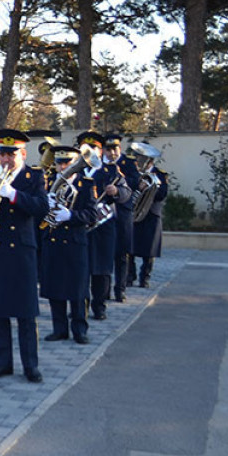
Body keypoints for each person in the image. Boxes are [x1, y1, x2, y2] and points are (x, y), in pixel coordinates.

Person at [0, 129, 49, 383]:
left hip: (21, 251)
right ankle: (2, 362)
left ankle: (30, 365)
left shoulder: (34, 176)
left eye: (10, 155)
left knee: (25, 312)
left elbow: (41, 207)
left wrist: (13, 195)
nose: (4, 160)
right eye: (2, 154)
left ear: (22, 154)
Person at [40, 146, 101, 345]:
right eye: (59, 163)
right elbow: (38, 215)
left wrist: (71, 215)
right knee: (55, 287)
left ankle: (79, 329)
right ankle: (59, 329)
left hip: (75, 243)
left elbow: (92, 214)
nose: (63, 167)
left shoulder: (85, 184)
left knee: (78, 289)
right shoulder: (49, 184)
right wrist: (44, 205)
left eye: (67, 163)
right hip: (53, 241)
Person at [76, 132, 129, 321]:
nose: (91, 153)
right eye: (86, 149)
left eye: (95, 149)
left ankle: (100, 307)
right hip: (80, 226)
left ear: (100, 151)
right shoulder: (74, 171)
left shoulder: (111, 171)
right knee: (80, 270)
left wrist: (116, 191)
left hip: (103, 228)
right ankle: (80, 307)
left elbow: (126, 193)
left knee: (102, 270)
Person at [104, 133, 139, 302]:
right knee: (105, 255)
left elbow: (136, 183)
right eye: (108, 149)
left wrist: (120, 183)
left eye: (115, 149)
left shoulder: (128, 163)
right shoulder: (99, 165)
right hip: (103, 215)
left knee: (122, 253)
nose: (112, 153)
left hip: (122, 213)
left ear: (120, 148)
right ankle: (104, 291)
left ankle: (120, 289)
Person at [132, 149, 168, 288]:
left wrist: (149, 187)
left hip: (152, 214)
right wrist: (138, 186)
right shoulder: (135, 174)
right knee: (131, 248)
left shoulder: (160, 174)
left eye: (144, 159)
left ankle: (144, 278)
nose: (140, 162)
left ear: (151, 161)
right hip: (135, 213)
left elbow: (162, 194)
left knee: (150, 250)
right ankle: (131, 276)